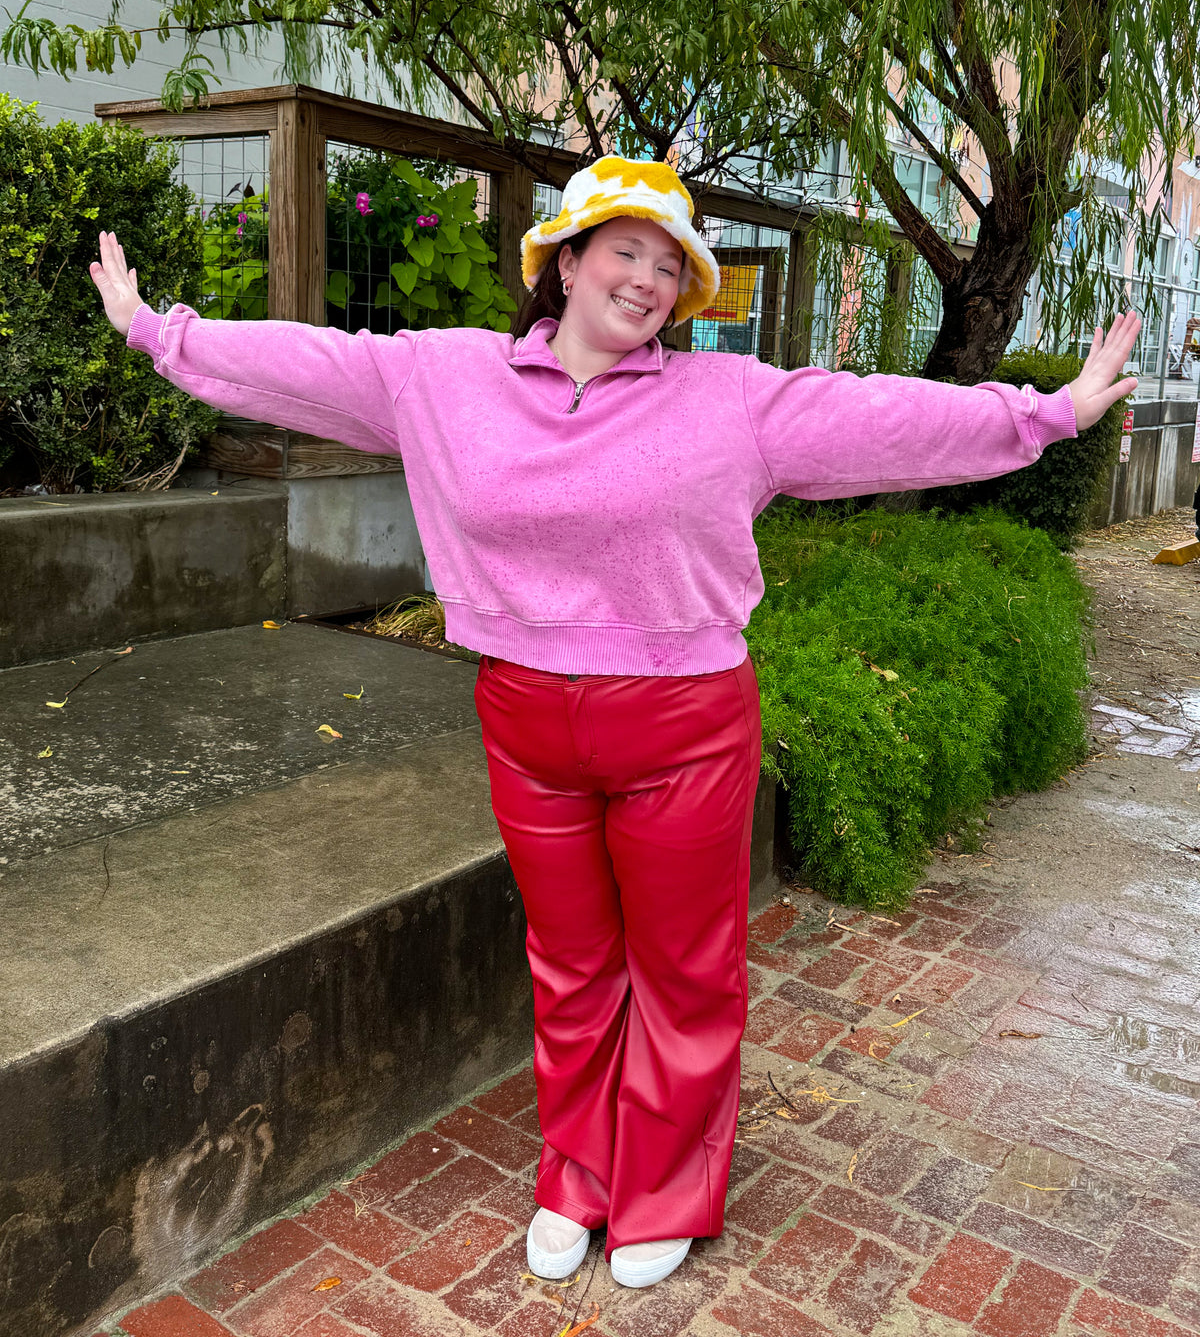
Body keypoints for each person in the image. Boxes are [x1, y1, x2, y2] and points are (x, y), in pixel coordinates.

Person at [90, 155, 1140, 1290]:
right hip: (526, 717)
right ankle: (576, 1174)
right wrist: (157, 331)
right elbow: (304, 362)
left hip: (685, 725)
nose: (645, 278)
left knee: (684, 971)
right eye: (625, 251)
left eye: (668, 265)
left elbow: (881, 417)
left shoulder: (729, 401)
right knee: (571, 965)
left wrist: (1050, 413)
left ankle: (666, 1189)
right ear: (567, 262)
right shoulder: (443, 376)